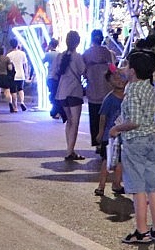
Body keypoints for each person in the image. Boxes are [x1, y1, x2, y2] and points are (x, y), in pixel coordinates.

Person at [109, 50, 155, 245]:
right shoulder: (148, 87)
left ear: (132, 71)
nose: (123, 69)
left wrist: (116, 128)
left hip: (135, 142)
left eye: (126, 66)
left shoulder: (132, 90)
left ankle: (141, 231)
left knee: (138, 188)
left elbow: (134, 121)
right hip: (151, 140)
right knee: (152, 186)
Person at [55, 31, 87, 161]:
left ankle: (70, 149)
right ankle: (70, 151)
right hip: (74, 91)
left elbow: (56, 71)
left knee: (69, 121)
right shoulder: (78, 57)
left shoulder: (60, 56)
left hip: (62, 92)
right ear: (77, 42)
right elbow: (83, 71)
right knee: (75, 122)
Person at [94, 70, 126, 197]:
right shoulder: (109, 99)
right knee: (107, 161)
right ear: (109, 82)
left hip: (124, 135)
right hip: (111, 136)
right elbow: (103, 117)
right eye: (115, 79)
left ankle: (116, 184)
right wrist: (101, 133)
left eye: (121, 77)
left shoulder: (129, 97)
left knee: (120, 161)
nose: (119, 80)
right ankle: (101, 185)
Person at [82, 29, 116, 149]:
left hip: (93, 92)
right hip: (108, 91)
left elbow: (83, 73)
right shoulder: (109, 53)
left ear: (92, 39)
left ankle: (97, 143)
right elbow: (113, 70)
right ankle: (106, 142)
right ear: (102, 39)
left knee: (94, 119)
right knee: (108, 118)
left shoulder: (86, 54)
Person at [6, 38, 30, 111]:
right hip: (21, 74)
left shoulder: (9, 55)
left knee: (13, 91)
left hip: (13, 75)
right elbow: (25, 65)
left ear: (11, 45)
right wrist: (26, 74)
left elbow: (8, 66)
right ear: (17, 44)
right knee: (21, 89)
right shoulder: (22, 53)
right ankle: (22, 102)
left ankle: (15, 107)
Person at [43, 38, 63, 121]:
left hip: (51, 76)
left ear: (50, 45)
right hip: (59, 77)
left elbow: (42, 61)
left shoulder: (48, 54)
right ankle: (57, 110)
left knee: (52, 94)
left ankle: (56, 111)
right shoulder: (60, 54)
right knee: (57, 94)